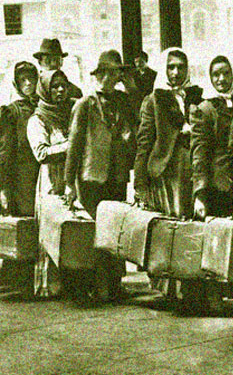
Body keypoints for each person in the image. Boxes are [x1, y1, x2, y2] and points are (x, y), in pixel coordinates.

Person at [63, 50, 139, 301]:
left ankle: (115, 285)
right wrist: (69, 183)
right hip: (91, 176)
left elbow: (139, 116)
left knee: (115, 230)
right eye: (109, 73)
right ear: (100, 75)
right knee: (96, 231)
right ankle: (97, 285)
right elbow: (74, 146)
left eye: (117, 73)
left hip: (117, 175)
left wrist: (131, 87)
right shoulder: (84, 104)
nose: (113, 78)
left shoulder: (123, 100)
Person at [134, 47, 203, 306]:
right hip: (167, 173)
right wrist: (140, 183)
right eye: (170, 67)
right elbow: (144, 143)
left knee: (191, 226)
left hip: (191, 170)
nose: (175, 72)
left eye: (180, 67)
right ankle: (170, 289)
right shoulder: (153, 100)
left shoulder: (196, 96)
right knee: (170, 229)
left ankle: (189, 286)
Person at [27, 69, 73, 297]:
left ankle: (74, 283)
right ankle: (50, 285)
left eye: (63, 85)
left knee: (71, 231)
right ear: (45, 90)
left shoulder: (71, 113)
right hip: (51, 181)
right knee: (51, 231)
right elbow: (42, 153)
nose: (60, 90)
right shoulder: (37, 120)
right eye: (55, 87)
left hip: (71, 179)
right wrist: (71, 145)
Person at [0, 61, 40, 297]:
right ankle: (16, 280)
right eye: (23, 80)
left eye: (31, 79)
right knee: (22, 224)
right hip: (21, 177)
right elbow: (5, 152)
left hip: (39, 175)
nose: (28, 84)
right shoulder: (11, 112)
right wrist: (3, 186)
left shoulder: (41, 106)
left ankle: (33, 278)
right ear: (16, 83)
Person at [191, 55, 233, 219]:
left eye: (226, 73)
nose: (222, 79)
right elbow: (199, 153)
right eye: (216, 75)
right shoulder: (205, 109)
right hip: (217, 186)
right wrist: (200, 194)